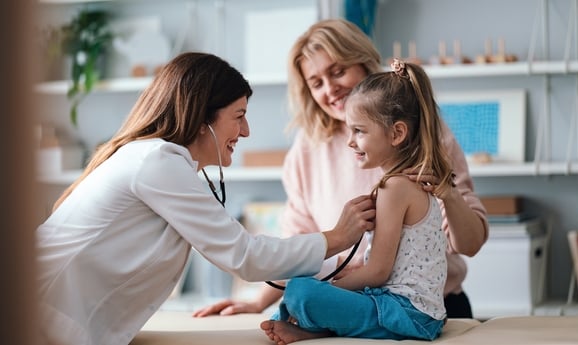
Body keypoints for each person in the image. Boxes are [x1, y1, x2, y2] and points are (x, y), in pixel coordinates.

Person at [36, 52, 376, 345]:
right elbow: (245, 255)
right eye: (239, 116)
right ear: (202, 120)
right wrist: (338, 236)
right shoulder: (156, 162)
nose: (246, 132)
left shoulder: (159, 162)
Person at [194, 18, 488, 319]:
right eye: (316, 82)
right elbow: (300, 246)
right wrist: (258, 302)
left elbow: (470, 243)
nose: (330, 89)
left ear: (363, 64)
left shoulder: (423, 133)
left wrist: (449, 195)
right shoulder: (306, 151)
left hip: (430, 309)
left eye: (338, 72)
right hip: (350, 306)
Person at [260, 59, 454, 344]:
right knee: (304, 290)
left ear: (397, 133)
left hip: (406, 314)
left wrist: (331, 287)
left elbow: (377, 272)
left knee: (301, 291)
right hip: (407, 311)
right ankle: (314, 328)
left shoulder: (394, 188)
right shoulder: (400, 184)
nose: (350, 141)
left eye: (359, 131)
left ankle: (307, 322)